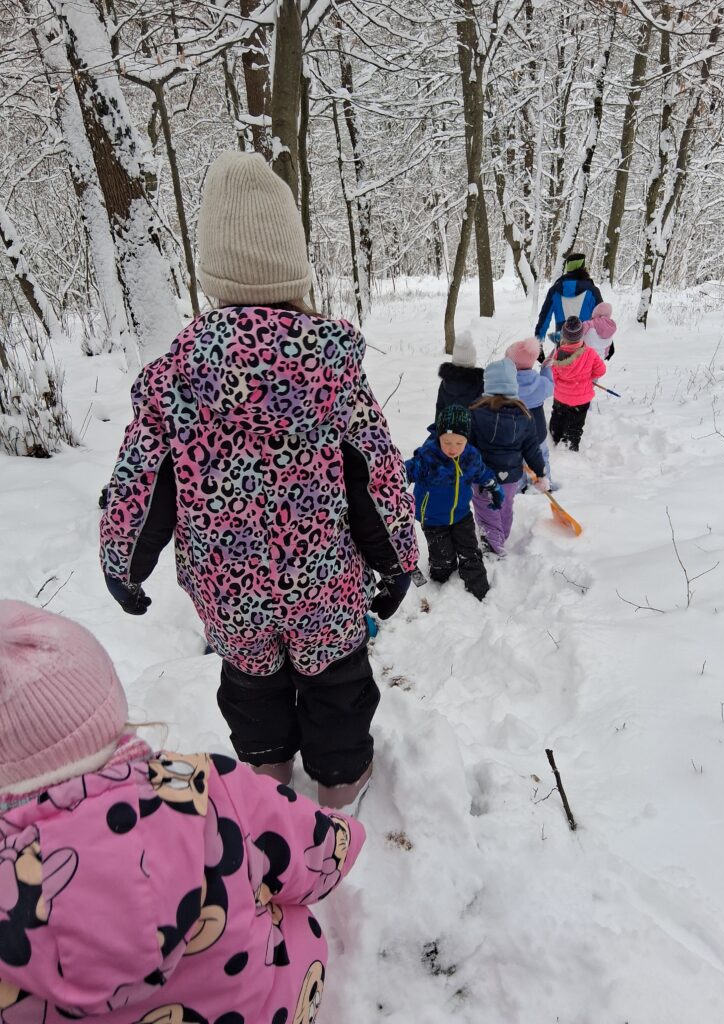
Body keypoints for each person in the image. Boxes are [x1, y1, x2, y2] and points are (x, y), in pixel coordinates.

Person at [100, 151, 418, 810]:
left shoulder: (175, 381)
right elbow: (377, 476)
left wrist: (123, 563)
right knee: (337, 688)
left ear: (214, 274)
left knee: (251, 690)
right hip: (325, 585)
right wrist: (397, 562)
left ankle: (267, 783)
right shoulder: (333, 374)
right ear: (293, 267)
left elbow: (139, 485)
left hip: (229, 589)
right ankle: (339, 790)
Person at [0, 600, 364, 1024]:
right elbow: (317, 854)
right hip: (267, 1007)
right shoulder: (206, 791)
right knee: (280, 885)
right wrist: (346, 834)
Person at [406, 405, 502, 601]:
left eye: (459, 443)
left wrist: (493, 486)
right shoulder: (428, 457)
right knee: (443, 559)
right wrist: (391, 487)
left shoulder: (470, 456)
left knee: (470, 552)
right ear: (439, 437)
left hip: (461, 514)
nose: (453, 448)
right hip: (433, 518)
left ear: (466, 439)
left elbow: (481, 472)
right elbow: (405, 471)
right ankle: (441, 586)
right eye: (447, 442)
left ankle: (480, 592)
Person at [469, 360, 549, 555]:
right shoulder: (525, 415)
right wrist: (540, 473)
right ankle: (501, 537)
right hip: (511, 477)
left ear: (489, 384)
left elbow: (469, 446)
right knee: (505, 507)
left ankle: (494, 547)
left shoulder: (475, 412)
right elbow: (532, 449)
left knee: (486, 510)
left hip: (483, 477)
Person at [549, 316, 606, 452]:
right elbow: (601, 370)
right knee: (576, 424)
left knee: (558, 417)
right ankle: (571, 444)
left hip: (561, 397)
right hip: (581, 399)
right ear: (581, 335)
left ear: (564, 336)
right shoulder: (590, 353)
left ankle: (555, 437)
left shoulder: (558, 355)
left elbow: (554, 376)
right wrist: (589, 377)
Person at [505, 337, 554, 482]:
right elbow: (550, 386)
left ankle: (519, 485)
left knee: (517, 461)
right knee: (541, 456)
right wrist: (546, 369)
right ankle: (544, 482)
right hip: (538, 431)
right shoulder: (541, 384)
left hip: (515, 433)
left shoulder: (506, 385)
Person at [534, 252, 603, 347]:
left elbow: (545, 317)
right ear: (583, 268)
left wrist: (538, 343)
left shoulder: (555, 291)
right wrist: (607, 342)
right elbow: (602, 320)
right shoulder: (592, 291)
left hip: (562, 344)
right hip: (586, 345)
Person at [435, 329, 484, 420]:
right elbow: (481, 416)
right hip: (470, 428)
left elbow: (439, 411)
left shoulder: (445, 383)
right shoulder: (479, 385)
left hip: (446, 428)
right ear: (472, 360)